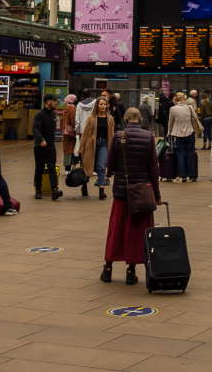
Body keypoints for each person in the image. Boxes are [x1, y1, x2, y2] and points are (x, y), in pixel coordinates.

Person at [103, 108, 162, 285]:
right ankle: (131, 270)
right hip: (141, 192)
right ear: (141, 119)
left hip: (121, 192)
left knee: (116, 231)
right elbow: (153, 169)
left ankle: (108, 268)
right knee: (136, 232)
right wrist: (157, 194)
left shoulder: (118, 136)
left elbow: (110, 166)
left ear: (125, 119)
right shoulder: (149, 137)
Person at [78, 96, 115, 199]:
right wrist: (81, 149)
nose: (103, 106)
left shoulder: (110, 119)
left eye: (104, 104)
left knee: (101, 166)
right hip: (91, 144)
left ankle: (101, 190)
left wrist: (113, 148)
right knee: (87, 166)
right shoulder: (91, 118)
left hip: (104, 144)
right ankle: (84, 186)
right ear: (97, 106)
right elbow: (85, 134)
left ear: (107, 106)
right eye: (101, 104)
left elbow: (112, 135)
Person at [32, 96, 63, 201]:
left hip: (50, 146)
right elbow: (35, 129)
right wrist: (41, 140)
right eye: (54, 101)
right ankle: (38, 190)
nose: (56, 103)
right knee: (39, 168)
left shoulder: (53, 114)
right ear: (48, 102)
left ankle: (54, 190)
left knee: (52, 167)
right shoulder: (39, 115)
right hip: (40, 146)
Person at [167, 92, 200, 182]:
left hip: (178, 134)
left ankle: (182, 176)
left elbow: (170, 122)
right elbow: (195, 117)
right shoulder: (189, 107)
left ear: (176, 99)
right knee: (190, 154)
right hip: (190, 132)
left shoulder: (173, 109)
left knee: (180, 154)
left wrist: (169, 132)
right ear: (184, 99)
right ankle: (192, 175)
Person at [60, 94, 79, 168]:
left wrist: (63, 129)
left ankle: (66, 168)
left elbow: (62, 121)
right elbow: (73, 121)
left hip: (65, 132)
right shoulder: (73, 108)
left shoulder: (65, 108)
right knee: (72, 149)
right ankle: (71, 167)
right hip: (71, 133)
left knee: (66, 150)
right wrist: (76, 129)